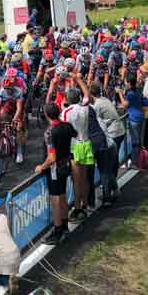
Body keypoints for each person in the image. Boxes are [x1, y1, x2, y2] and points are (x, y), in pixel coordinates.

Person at [34, 103, 75, 244]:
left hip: (55, 170)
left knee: (56, 199)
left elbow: (51, 157)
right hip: (66, 164)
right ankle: (64, 226)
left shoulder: (49, 132)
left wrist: (41, 167)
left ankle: (57, 231)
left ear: (46, 115)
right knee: (62, 196)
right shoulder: (67, 126)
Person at [59, 85, 92, 220]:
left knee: (77, 180)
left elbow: (62, 125)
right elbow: (87, 96)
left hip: (75, 147)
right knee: (83, 178)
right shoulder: (84, 108)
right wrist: (78, 80)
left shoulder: (66, 112)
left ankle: (78, 208)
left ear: (67, 99)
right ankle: (84, 204)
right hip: (86, 143)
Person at [89, 82, 123, 205]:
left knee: (105, 170)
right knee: (109, 168)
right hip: (117, 133)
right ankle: (114, 189)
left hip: (111, 137)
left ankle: (107, 195)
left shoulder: (96, 108)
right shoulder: (105, 100)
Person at [118, 74, 148, 168]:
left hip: (134, 119)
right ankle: (140, 159)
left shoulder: (130, 94)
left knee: (135, 141)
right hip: (141, 117)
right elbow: (145, 102)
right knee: (140, 139)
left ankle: (135, 162)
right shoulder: (139, 90)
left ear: (128, 83)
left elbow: (124, 105)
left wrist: (120, 94)